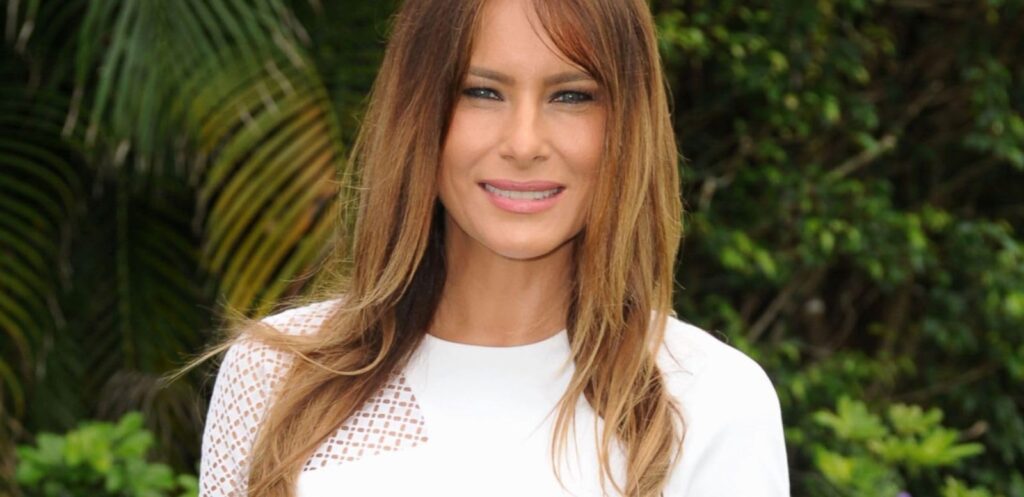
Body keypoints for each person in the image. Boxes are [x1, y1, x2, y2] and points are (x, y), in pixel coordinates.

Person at [198, 0, 789, 495]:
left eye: (571, 96)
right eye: (481, 92)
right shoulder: (276, 376)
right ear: (418, 112)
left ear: (630, 123)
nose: (524, 143)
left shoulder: (708, 400)